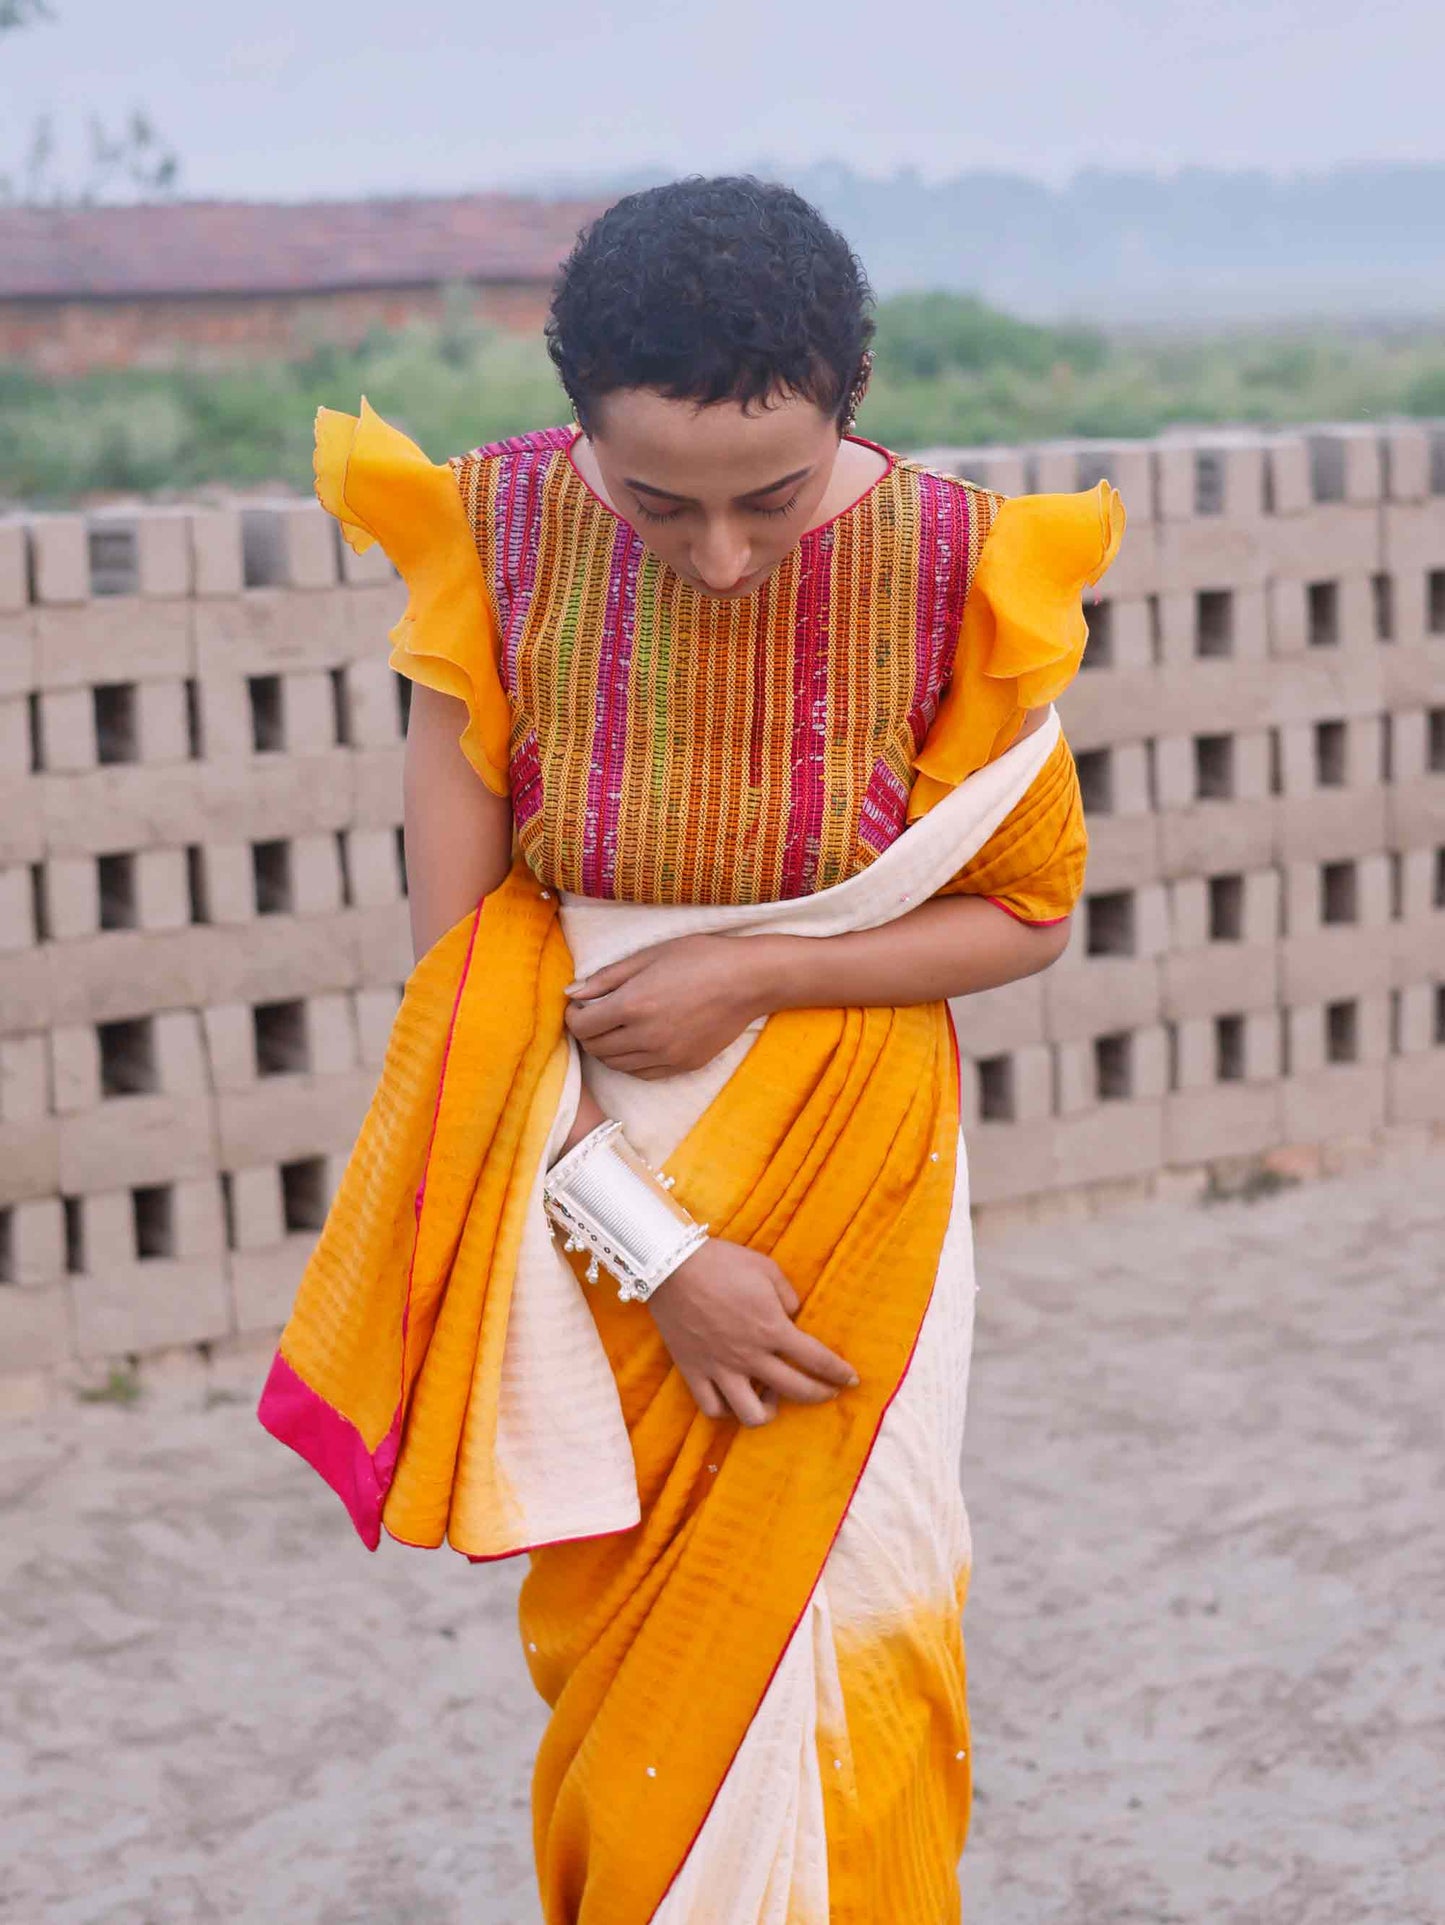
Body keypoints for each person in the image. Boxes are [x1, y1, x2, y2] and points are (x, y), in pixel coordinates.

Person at [259, 175, 1123, 1923]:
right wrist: (655, 1255)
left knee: (855, 1596)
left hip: (854, 1167)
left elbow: (1029, 915)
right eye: (656, 503)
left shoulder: (964, 564)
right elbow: (469, 991)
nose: (718, 554)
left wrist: (749, 971)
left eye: (774, 500)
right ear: (578, 430)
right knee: (637, 1655)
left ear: (850, 399)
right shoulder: (488, 537)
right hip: (569, 1149)